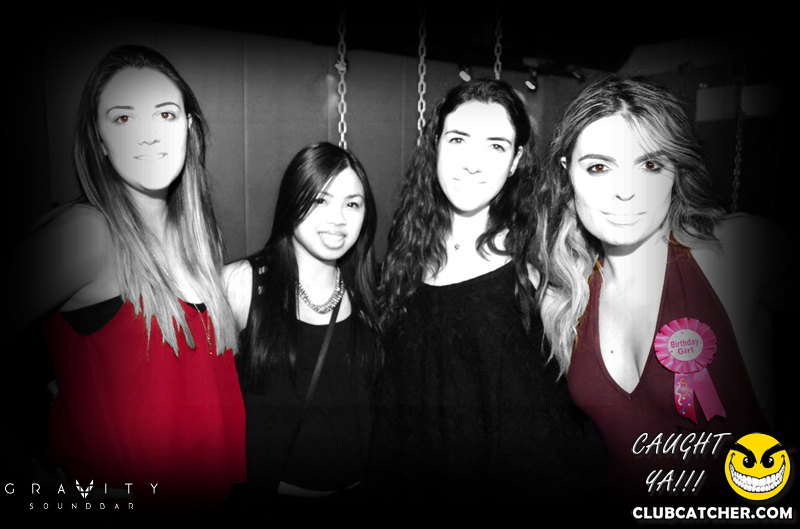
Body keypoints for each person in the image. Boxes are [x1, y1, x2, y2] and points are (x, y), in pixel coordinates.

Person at [10, 45, 246, 515]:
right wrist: (34, 484)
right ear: (98, 140)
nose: (149, 135)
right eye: (122, 118)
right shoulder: (85, 234)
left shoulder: (198, 238)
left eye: (165, 114)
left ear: (189, 127)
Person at [538, 75, 782, 503]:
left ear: (675, 173)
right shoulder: (563, 296)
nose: (625, 192)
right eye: (598, 167)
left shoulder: (734, 253)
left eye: (650, 165)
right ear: (567, 174)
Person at [370, 79, 605, 503]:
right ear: (436, 145)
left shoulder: (540, 253)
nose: (472, 164)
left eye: (495, 146)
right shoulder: (406, 253)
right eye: (458, 139)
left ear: (515, 161)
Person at [225, 142, 380, 506]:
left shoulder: (374, 290)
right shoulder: (242, 283)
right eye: (320, 200)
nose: (338, 219)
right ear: (291, 202)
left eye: (352, 204)